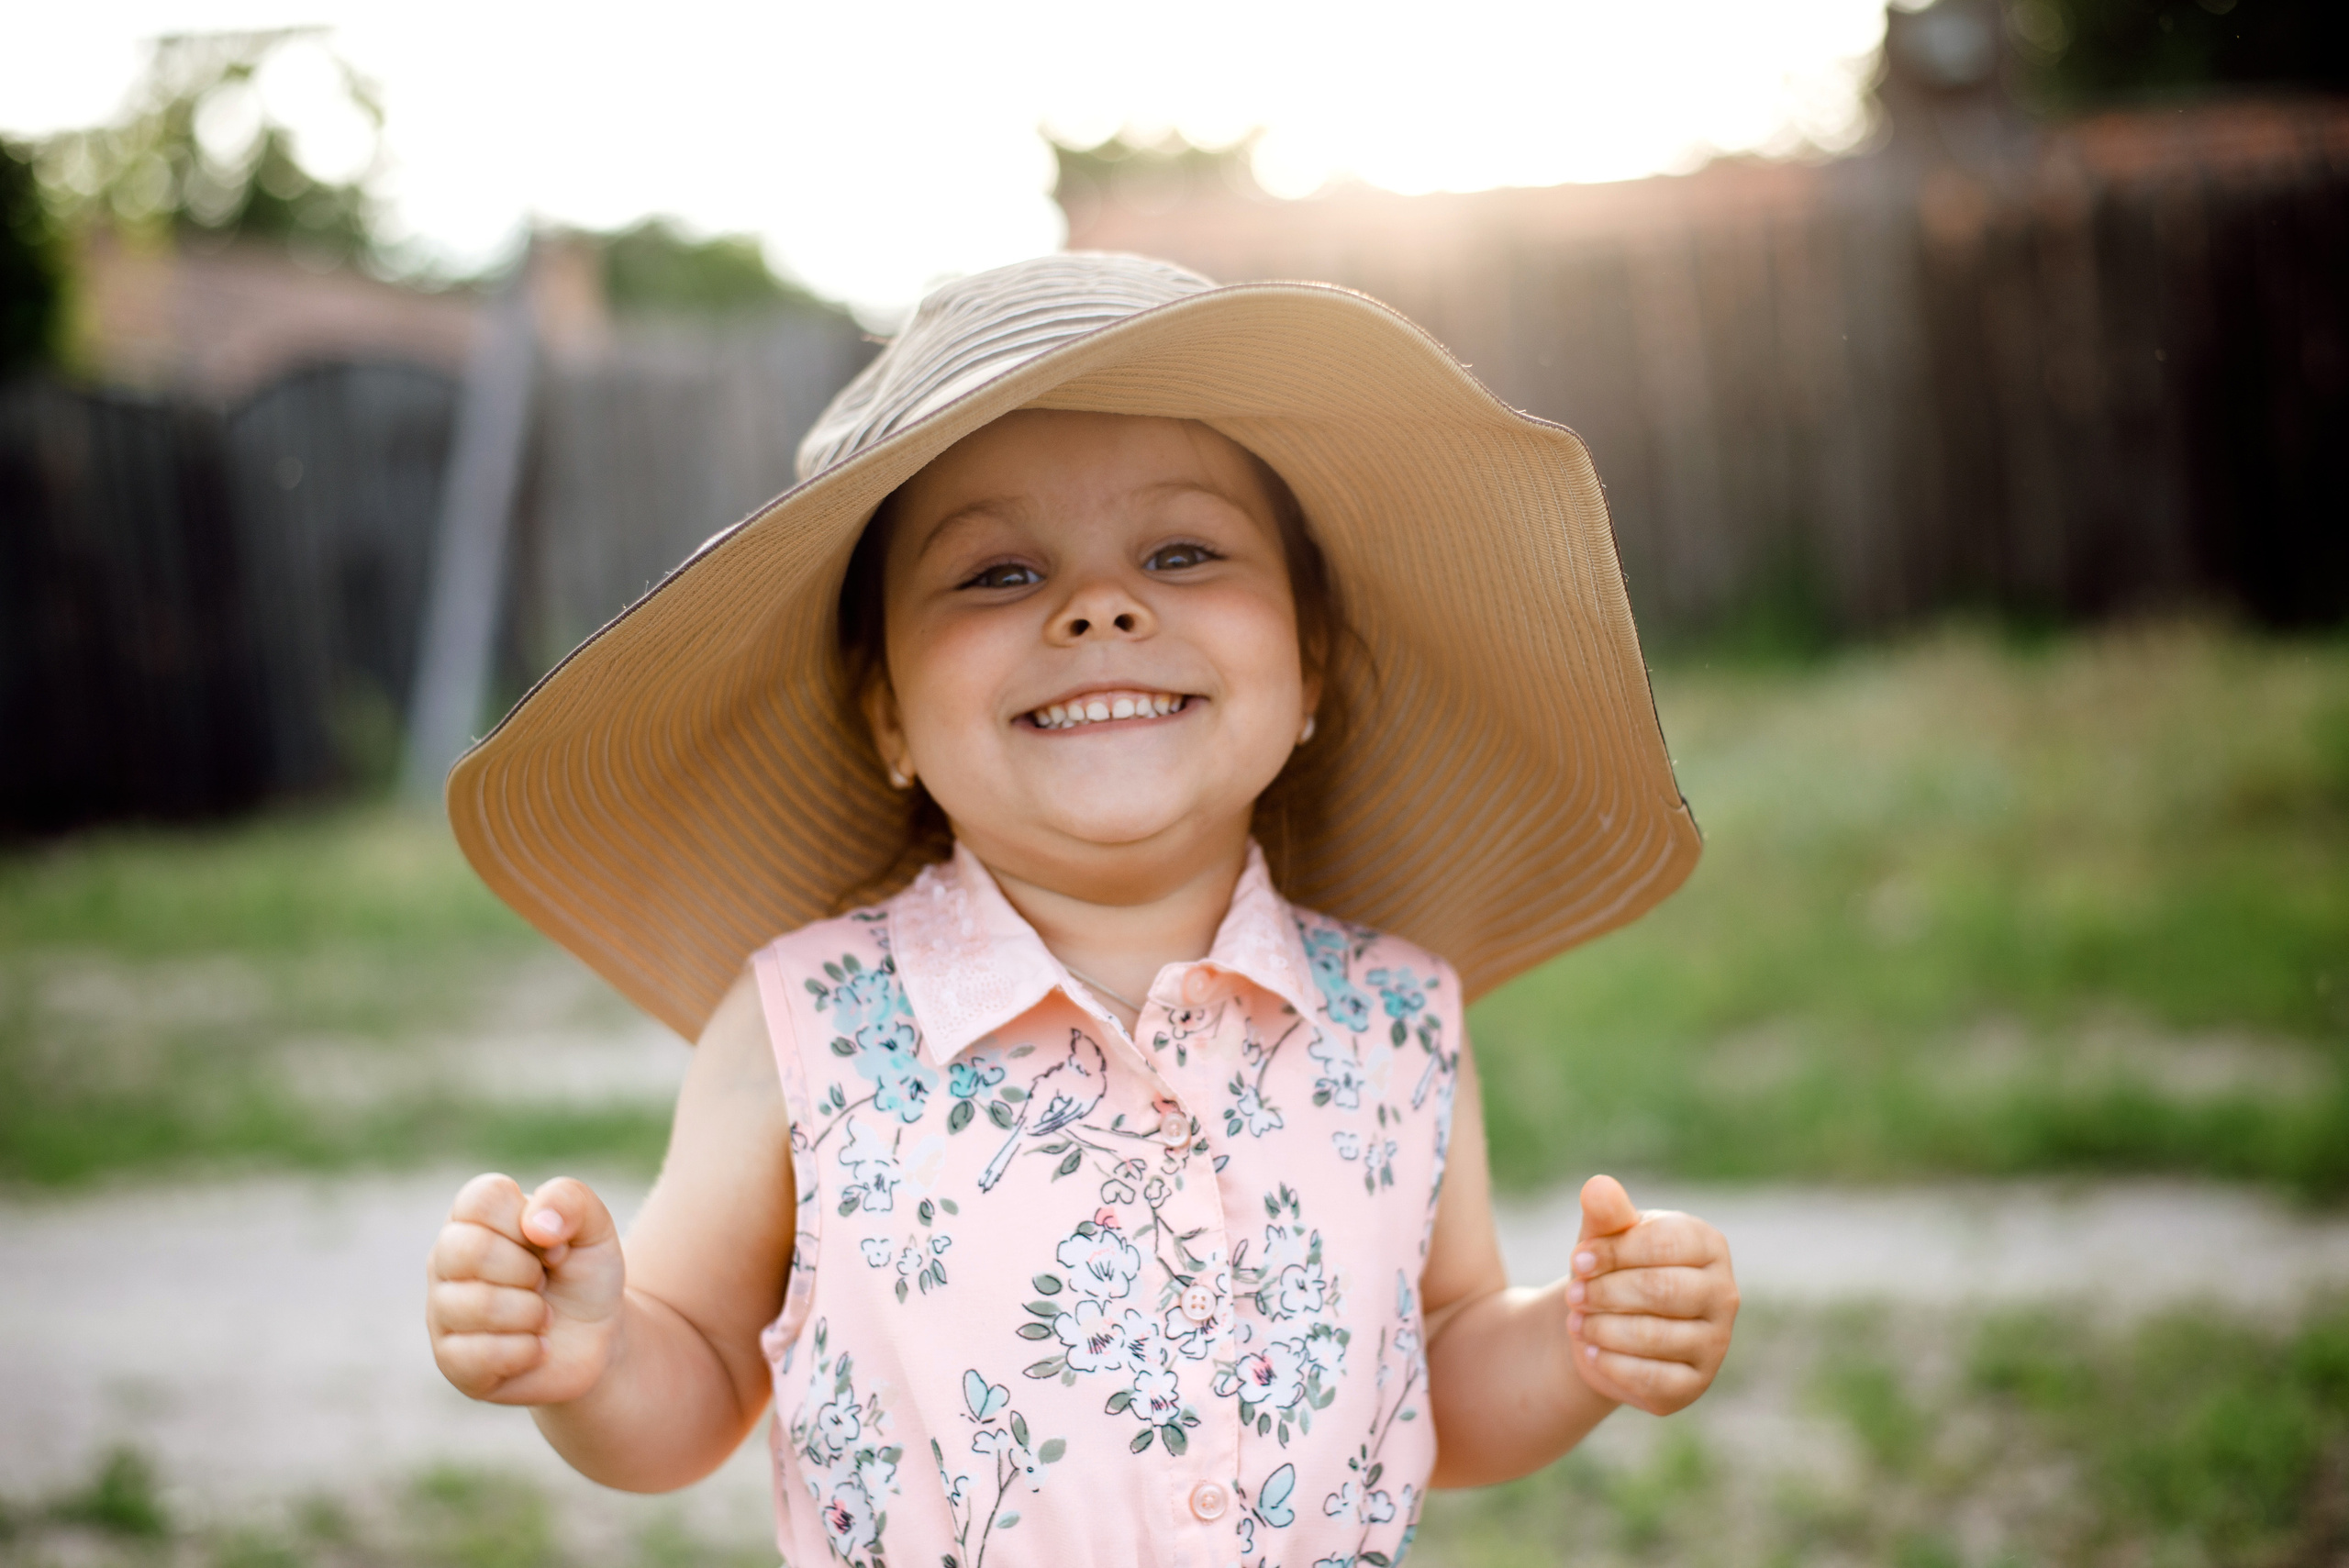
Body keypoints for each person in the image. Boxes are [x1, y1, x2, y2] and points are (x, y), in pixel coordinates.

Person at [424, 254, 1738, 1566]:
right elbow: (699, 1369)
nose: (1100, 605)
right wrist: (593, 1359)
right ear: (886, 709)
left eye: (1184, 550)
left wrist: (1577, 1337)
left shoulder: (1396, 1017)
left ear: (1312, 661)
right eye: (997, 573)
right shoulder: (806, 1021)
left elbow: (1436, 1366)